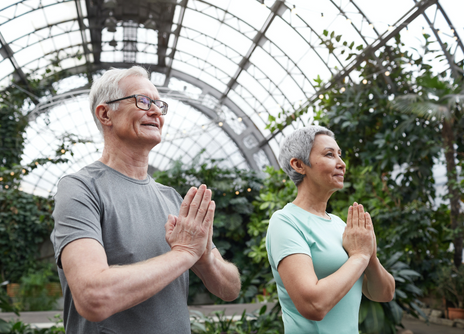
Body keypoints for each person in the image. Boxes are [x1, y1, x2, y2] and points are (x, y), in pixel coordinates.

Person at [50, 66, 241, 334]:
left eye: (158, 104)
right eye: (142, 101)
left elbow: (230, 289)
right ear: (105, 114)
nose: (155, 111)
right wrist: (184, 253)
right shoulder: (81, 189)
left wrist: (204, 255)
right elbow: (93, 297)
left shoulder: (172, 199)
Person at [266, 125, 395, 333]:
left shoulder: (340, 225)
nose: (342, 164)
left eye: (340, 155)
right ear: (299, 165)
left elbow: (384, 294)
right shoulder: (285, 222)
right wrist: (359, 257)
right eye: (329, 154)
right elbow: (313, 306)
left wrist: (370, 257)